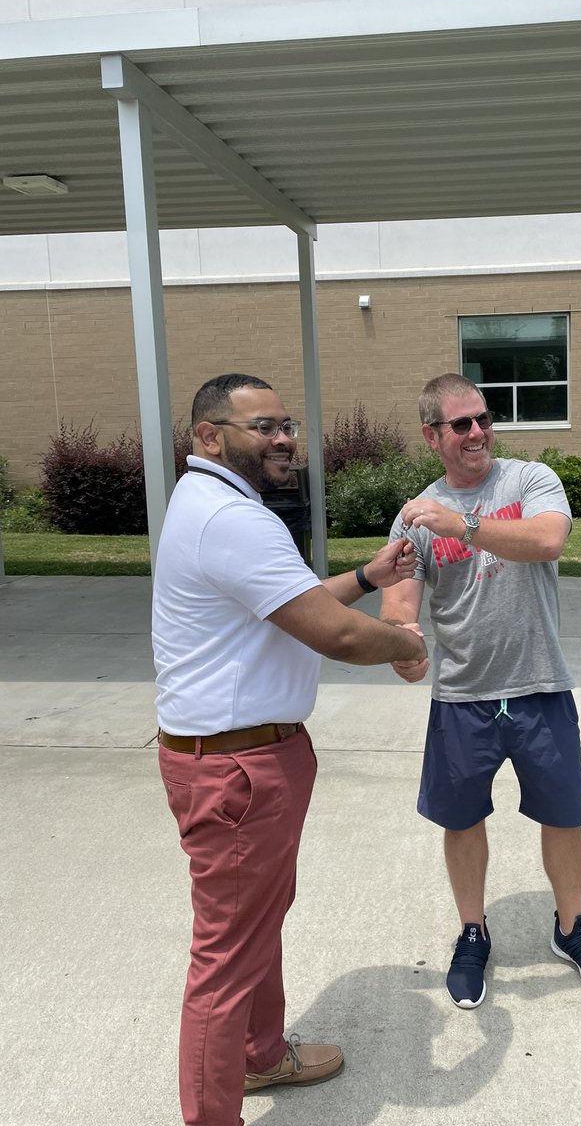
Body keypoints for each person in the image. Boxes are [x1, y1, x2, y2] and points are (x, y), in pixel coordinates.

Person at [152, 373, 426, 1126]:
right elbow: (333, 635)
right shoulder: (232, 519)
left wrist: (369, 577)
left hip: (240, 758)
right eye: (261, 427)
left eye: (286, 425)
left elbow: (289, 608)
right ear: (208, 437)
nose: (283, 440)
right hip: (239, 770)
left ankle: (262, 1053)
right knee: (225, 960)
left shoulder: (213, 505)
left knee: (253, 925)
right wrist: (403, 642)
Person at [379, 373, 581, 1010]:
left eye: (484, 419)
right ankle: (473, 931)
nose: (478, 433)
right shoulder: (417, 513)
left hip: (541, 685)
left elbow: (547, 539)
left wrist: (461, 523)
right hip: (462, 697)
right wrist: (403, 638)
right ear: (433, 435)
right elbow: (399, 596)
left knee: (564, 815)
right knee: (462, 821)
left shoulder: (529, 480)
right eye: (461, 425)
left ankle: (572, 929)